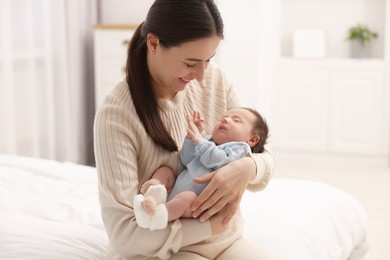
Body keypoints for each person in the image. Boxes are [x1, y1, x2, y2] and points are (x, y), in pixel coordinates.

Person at [93, 0, 276, 259]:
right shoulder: (117, 114)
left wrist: (246, 168)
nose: (201, 75)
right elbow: (124, 236)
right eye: (191, 63)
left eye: (208, 60)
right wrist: (208, 226)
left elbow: (264, 156)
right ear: (154, 44)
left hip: (225, 241)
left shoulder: (216, 80)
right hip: (163, 249)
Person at [133, 107, 269, 231]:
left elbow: (216, 159)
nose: (225, 119)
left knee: (187, 197)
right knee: (165, 171)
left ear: (252, 140)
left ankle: (157, 216)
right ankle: (153, 192)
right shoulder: (208, 141)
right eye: (223, 118)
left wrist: (199, 140)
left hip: (194, 204)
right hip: (173, 191)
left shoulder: (239, 149)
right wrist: (191, 137)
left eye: (236, 120)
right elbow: (186, 159)